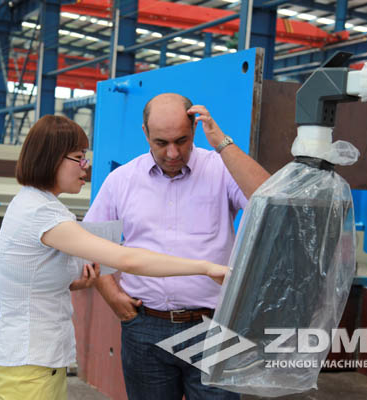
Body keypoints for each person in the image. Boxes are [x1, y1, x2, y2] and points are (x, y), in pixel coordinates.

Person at [0, 114, 230, 400]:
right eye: (79, 157)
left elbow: (33, 276)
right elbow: (126, 260)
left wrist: (78, 279)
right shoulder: (42, 213)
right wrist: (205, 267)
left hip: (35, 361)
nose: (86, 165)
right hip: (30, 361)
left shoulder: (33, 204)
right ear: (51, 158)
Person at [84, 93, 271, 400]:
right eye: (161, 142)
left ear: (195, 129)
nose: (172, 153)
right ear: (145, 133)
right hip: (145, 327)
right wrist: (111, 294)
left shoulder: (220, 170)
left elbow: (270, 200)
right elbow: (92, 242)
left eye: (182, 141)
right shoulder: (122, 181)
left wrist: (222, 143)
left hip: (213, 326)